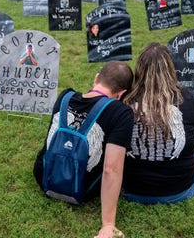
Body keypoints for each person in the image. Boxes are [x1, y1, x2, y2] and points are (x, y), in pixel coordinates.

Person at [33, 61, 134, 238]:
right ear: (121, 94)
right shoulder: (120, 113)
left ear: (96, 78)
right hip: (82, 189)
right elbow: (111, 170)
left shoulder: (65, 97)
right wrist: (108, 224)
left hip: (43, 178)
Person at [121, 43, 194, 204]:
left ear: (139, 70)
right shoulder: (187, 99)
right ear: (171, 68)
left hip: (130, 190)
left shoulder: (125, 101)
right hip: (180, 190)